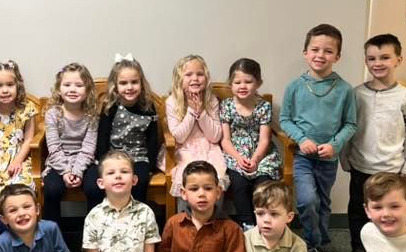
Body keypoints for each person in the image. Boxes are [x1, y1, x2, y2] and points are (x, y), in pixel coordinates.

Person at [278, 23, 356, 252]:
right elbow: (285, 120)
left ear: (337, 56)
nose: (320, 55)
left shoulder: (344, 89)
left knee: (322, 202)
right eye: (315, 49)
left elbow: (350, 124)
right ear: (305, 52)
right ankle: (313, 242)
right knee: (307, 200)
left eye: (328, 51)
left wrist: (335, 145)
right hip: (303, 157)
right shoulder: (295, 86)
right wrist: (302, 139)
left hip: (328, 159)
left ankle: (319, 245)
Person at [341, 33, 406, 252]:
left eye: (385, 57)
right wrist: (345, 158)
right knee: (358, 209)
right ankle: (359, 247)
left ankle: (389, 248)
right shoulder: (356, 94)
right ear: (366, 61)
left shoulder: (405, 96)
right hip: (361, 165)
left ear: (398, 60)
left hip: (391, 167)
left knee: (391, 211)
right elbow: (349, 128)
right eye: (372, 58)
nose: (378, 63)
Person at [82, 55, 159, 211]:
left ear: (141, 83)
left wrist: (150, 165)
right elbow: (102, 137)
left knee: (138, 181)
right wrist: (104, 162)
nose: (129, 87)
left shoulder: (149, 106)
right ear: (115, 85)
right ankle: (99, 223)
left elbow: (153, 139)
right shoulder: (110, 106)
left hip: (138, 156)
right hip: (111, 155)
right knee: (92, 185)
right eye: (123, 83)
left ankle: (134, 223)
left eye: (134, 82)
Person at [219, 58, 282, 228]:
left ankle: (263, 222)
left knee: (262, 185)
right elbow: (225, 140)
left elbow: (265, 139)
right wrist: (239, 158)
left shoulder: (263, 107)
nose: (242, 86)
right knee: (238, 184)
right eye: (237, 82)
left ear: (258, 83)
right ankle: (247, 223)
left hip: (261, 154)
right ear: (230, 85)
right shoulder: (227, 106)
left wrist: (255, 159)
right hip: (235, 153)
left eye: (248, 81)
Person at [165, 54, 227, 206]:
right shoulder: (172, 101)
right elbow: (179, 137)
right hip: (184, 148)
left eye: (200, 74)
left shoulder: (210, 99)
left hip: (209, 147)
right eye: (188, 74)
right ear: (179, 79)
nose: (195, 78)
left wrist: (202, 113)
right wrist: (192, 112)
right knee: (186, 176)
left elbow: (215, 136)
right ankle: (185, 217)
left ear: (206, 78)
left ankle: (214, 218)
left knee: (215, 175)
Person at [41, 63, 99, 224]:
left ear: (87, 90)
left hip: (85, 162)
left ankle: (92, 237)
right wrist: (66, 172)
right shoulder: (53, 114)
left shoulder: (91, 116)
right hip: (58, 162)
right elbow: (53, 147)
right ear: (59, 89)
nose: (72, 89)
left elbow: (88, 148)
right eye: (67, 85)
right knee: (52, 190)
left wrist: (78, 171)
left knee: (95, 188)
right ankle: (52, 238)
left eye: (79, 85)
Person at [0, 60, 38, 202]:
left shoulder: (27, 108)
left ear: (17, 85)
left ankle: (18, 219)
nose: (5, 90)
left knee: (20, 185)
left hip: (21, 156)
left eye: (10, 85)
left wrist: (17, 161)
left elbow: (29, 140)